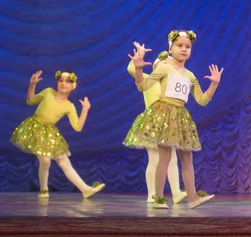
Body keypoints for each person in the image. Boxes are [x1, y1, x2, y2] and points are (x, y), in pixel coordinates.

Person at [125, 30, 222, 209]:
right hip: (164, 112)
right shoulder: (163, 67)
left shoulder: (190, 75)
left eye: (188, 47)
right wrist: (138, 69)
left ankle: (192, 198)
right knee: (165, 157)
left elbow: (202, 101)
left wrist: (214, 85)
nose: (184, 49)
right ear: (171, 47)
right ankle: (158, 198)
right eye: (179, 45)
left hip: (180, 116)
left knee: (187, 158)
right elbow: (143, 86)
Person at [10, 70, 105, 199]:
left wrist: (85, 110)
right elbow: (30, 101)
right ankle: (44, 189)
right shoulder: (48, 91)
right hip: (35, 128)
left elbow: (77, 127)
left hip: (50, 132)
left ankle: (85, 189)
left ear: (73, 86)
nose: (63, 83)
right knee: (45, 160)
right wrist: (32, 85)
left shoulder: (69, 106)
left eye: (67, 81)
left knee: (63, 161)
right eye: (61, 81)